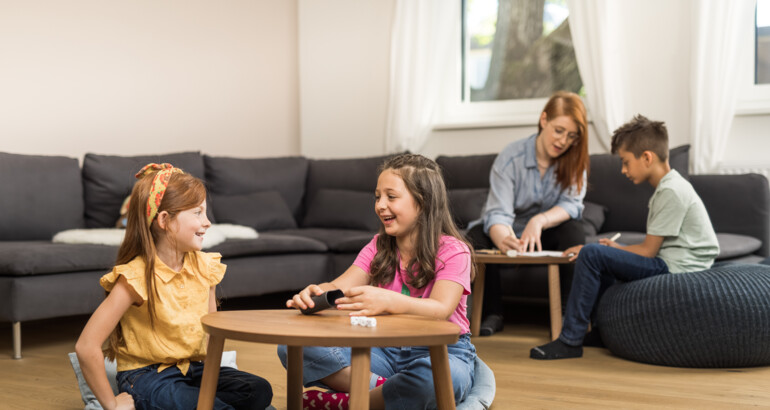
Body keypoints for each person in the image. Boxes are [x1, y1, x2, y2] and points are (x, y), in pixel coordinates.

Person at [278, 154, 477, 410]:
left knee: (439, 379)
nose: (381, 205)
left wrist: (389, 301)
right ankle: (390, 393)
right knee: (291, 346)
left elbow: (441, 308)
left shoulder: (454, 251)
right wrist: (316, 292)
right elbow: (340, 287)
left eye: (391, 197)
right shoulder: (378, 246)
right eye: (377, 197)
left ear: (424, 201)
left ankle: (355, 403)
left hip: (441, 351)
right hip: (383, 349)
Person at [75, 163, 273, 410]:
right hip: (147, 375)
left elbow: (213, 333)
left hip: (193, 368)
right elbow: (86, 346)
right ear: (165, 220)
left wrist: (212, 378)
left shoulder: (205, 266)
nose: (208, 222)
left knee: (260, 390)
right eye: (198, 213)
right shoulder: (135, 277)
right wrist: (111, 404)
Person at [530, 115, 720, 360]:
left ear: (647, 157)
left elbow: (649, 252)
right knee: (602, 254)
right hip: (670, 261)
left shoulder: (671, 190)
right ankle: (599, 331)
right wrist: (616, 249)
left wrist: (606, 251)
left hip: (676, 268)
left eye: (626, 162)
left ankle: (570, 340)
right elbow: (651, 248)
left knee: (591, 253)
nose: (623, 170)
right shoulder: (669, 186)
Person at [466, 91, 590, 336]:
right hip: (509, 230)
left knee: (575, 230)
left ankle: (568, 314)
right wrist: (504, 239)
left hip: (547, 230)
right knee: (475, 237)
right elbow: (498, 212)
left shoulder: (575, 160)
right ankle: (493, 313)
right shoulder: (511, 157)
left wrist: (540, 220)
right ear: (544, 120)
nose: (564, 141)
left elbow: (572, 204)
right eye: (559, 130)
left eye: (571, 136)